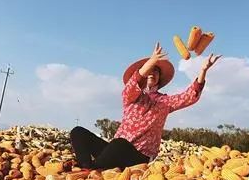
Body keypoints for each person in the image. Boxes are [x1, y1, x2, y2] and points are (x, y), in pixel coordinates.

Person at [70, 42, 221, 170]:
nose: (152, 74)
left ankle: (94, 171)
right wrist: (151, 61)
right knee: (78, 132)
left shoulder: (165, 102)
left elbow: (190, 96)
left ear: (159, 79)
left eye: (156, 72)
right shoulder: (130, 96)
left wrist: (203, 70)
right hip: (115, 150)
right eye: (149, 71)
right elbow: (133, 83)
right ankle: (86, 167)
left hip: (138, 156)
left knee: (120, 144)